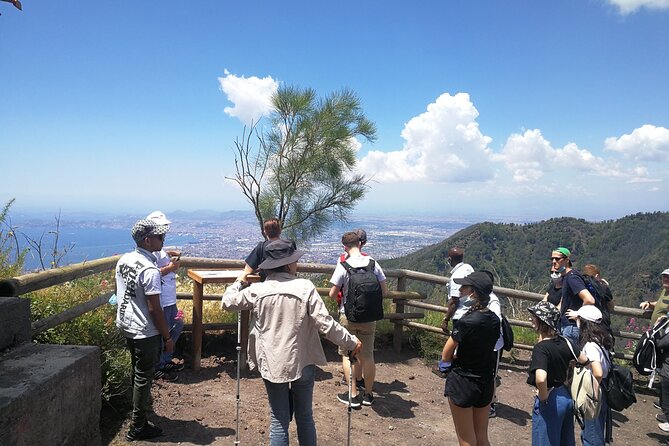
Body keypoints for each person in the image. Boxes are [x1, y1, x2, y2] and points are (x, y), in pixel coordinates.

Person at [221, 239, 362, 446]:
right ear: (288, 264)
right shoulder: (305, 287)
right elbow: (326, 324)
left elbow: (227, 302)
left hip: (272, 363)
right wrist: (351, 342)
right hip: (302, 360)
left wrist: (240, 281)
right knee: (305, 417)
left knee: (278, 420)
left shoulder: (258, 290)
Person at [115, 219, 174, 441]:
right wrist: (167, 336)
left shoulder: (124, 260)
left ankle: (137, 415)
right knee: (143, 377)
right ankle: (137, 427)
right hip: (145, 331)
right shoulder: (150, 270)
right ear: (147, 240)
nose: (163, 240)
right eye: (160, 237)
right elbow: (154, 308)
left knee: (137, 372)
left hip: (127, 324)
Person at [329, 231, 388, 407]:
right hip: (369, 318)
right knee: (368, 356)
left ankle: (353, 395)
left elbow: (333, 294)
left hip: (348, 317)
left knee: (348, 355)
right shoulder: (373, 263)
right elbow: (384, 291)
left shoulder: (343, 264)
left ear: (345, 247)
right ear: (360, 244)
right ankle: (369, 395)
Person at [442, 271, 500, 446]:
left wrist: (455, 359)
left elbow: (446, 354)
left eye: (464, 287)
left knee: (466, 439)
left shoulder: (466, 322)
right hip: (486, 380)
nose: (460, 290)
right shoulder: (494, 319)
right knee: (482, 437)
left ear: (473, 292)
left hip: (463, 382)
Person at [527, 301, 589, 446]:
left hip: (551, 399)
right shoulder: (565, 341)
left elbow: (541, 379)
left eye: (534, 316)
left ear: (543, 321)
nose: (531, 319)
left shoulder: (541, 348)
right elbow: (585, 360)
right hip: (566, 397)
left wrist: (543, 398)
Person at [146, 211, 185, 380]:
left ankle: (165, 360)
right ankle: (159, 365)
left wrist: (168, 254)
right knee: (166, 331)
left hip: (169, 298)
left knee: (177, 325)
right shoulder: (149, 250)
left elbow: (159, 258)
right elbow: (151, 273)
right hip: (162, 299)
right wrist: (170, 268)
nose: (165, 230)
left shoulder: (157, 247)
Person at [570, 305, 613, 446]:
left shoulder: (590, 345)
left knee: (592, 433)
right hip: (604, 387)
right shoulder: (601, 339)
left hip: (596, 390)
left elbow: (598, 372)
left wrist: (591, 393)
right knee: (594, 428)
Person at [551, 247, 595, 346]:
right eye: (552, 259)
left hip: (571, 327)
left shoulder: (572, 278)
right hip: (567, 326)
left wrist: (578, 314)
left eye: (557, 259)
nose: (554, 261)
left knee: (570, 358)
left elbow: (589, 300)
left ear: (567, 260)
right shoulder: (566, 277)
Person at [237, 217, 282, 282]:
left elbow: (248, 268)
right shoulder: (289, 245)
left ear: (265, 232)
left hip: (267, 283)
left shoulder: (262, 247)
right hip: (288, 283)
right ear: (280, 231)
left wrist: (244, 276)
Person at [442, 247, 475, 333]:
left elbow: (454, 301)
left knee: (458, 341)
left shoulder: (456, 276)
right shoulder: (468, 268)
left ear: (450, 259)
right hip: (472, 312)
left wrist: (446, 319)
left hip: (460, 316)